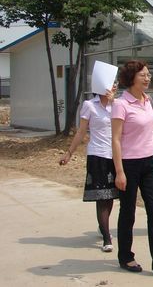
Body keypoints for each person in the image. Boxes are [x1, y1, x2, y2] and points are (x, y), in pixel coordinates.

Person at [111, 60, 153, 275]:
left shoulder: (148, 100)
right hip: (129, 164)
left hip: (150, 162)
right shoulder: (121, 104)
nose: (147, 78)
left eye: (148, 75)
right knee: (128, 212)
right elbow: (115, 139)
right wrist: (119, 171)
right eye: (143, 75)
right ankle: (126, 257)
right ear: (131, 78)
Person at [59, 85, 118, 253]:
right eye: (110, 84)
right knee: (101, 196)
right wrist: (69, 153)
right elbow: (81, 132)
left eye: (115, 84)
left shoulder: (117, 105)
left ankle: (102, 226)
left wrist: (114, 102)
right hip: (97, 154)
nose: (113, 86)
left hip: (115, 155)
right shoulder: (89, 105)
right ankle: (106, 237)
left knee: (110, 195)